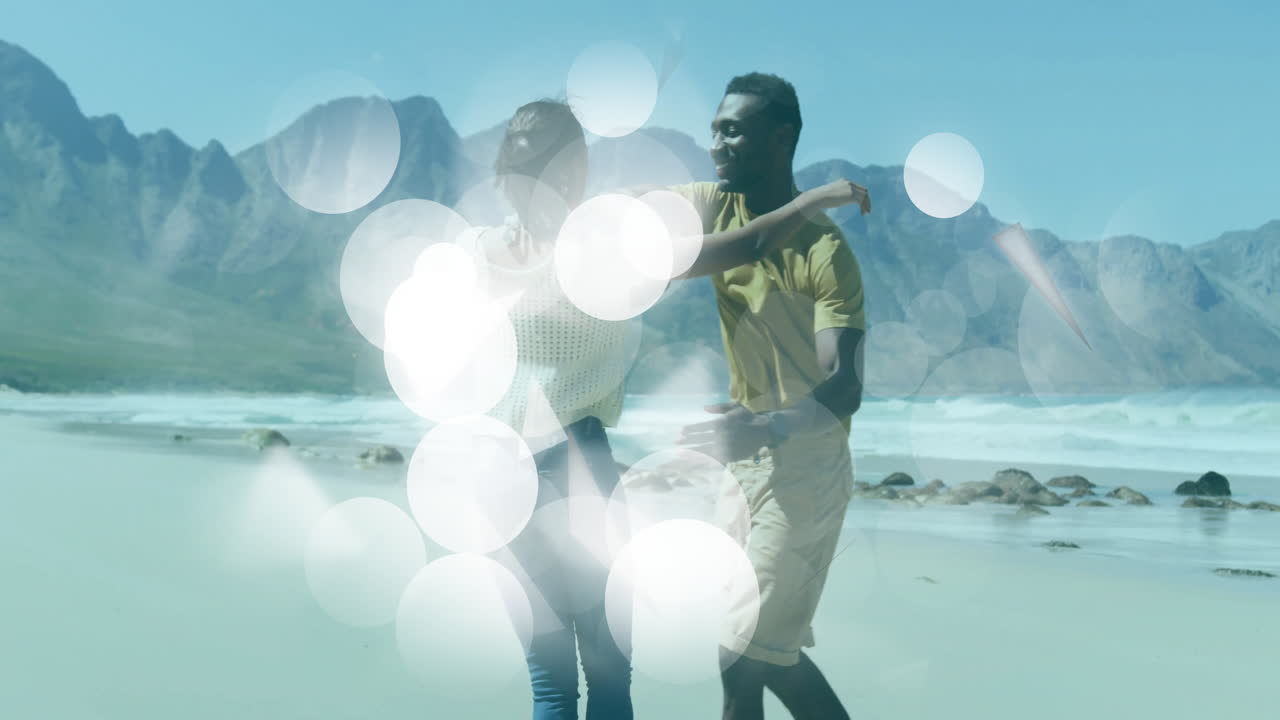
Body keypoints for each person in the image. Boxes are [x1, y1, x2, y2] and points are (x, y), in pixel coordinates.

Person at [469, 97, 866, 719]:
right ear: (572, 175)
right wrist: (809, 203)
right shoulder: (597, 255)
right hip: (579, 469)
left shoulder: (475, 253)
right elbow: (747, 242)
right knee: (607, 679)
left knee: (548, 685)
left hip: (500, 480)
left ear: (501, 173)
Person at [671, 73, 870, 720]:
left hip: (806, 468)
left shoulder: (825, 251)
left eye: (733, 130)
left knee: (742, 653)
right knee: (764, 653)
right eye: (714, 130)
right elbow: (658, 244)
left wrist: (768, 427)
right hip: (743, 465)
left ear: (780, 137)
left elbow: (844, 386)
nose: (716, 144)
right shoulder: (713, 204)